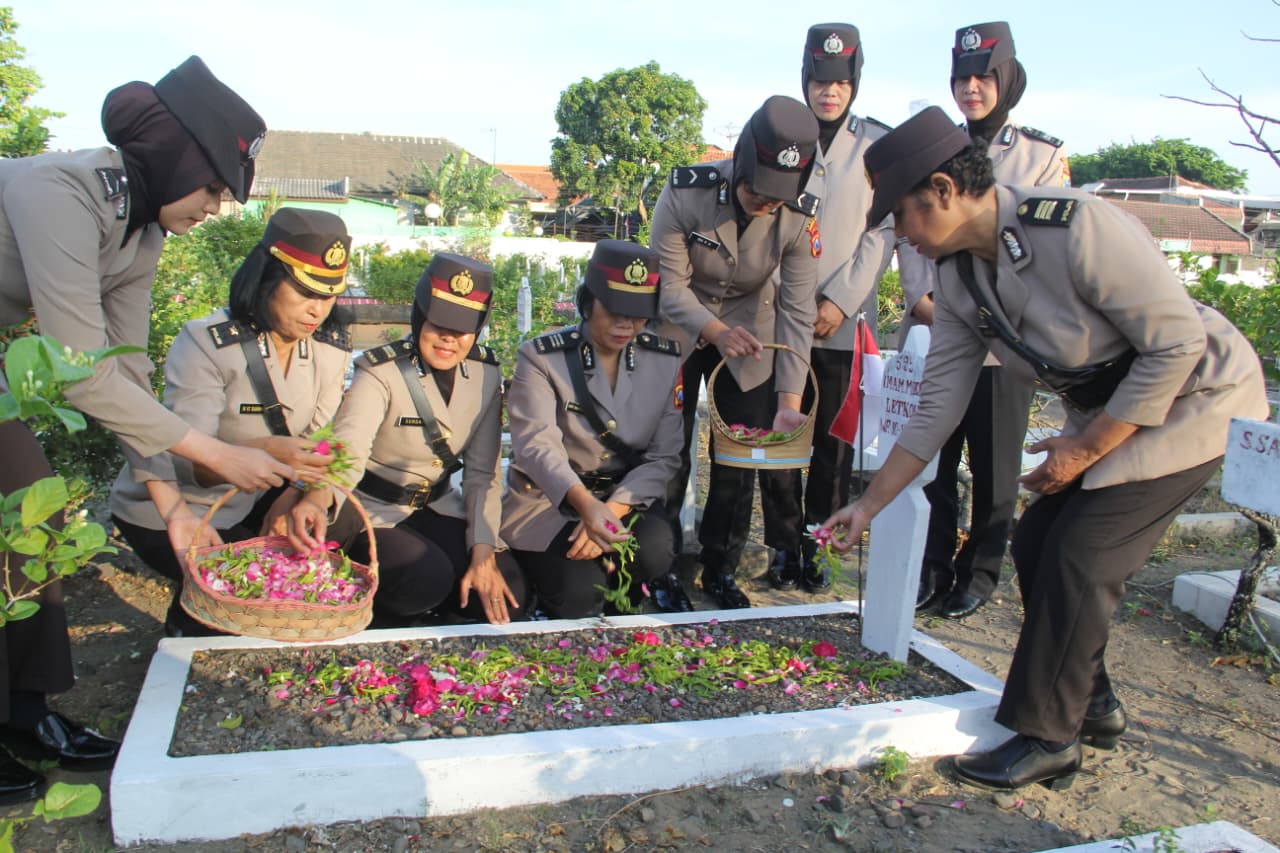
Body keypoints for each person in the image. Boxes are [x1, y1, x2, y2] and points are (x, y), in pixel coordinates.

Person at [824, 106, 1268, 790]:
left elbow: (1176, 343)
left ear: (943, 190)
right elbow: (938, 403)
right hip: (1119, 408)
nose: (903, 238)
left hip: (1197, 397)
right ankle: (1091, 702)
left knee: (1081, 552)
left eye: (905, 218)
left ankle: (1049, 734)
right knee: (1037, 545)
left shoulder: (1075, 226)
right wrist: (870, 504)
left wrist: (1086, 448)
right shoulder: (960, 275)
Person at [0, 56, 287, 801]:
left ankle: (23, 712)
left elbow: (122, 376)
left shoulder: (140, 233)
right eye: (216, 186)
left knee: (34, 518)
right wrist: (213, 450)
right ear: (176, 155)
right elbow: (75, 367)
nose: (218, 208)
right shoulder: (56, 189)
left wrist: (176, 513)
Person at [110, 208, 354, 637]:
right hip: (179, 505)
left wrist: (295, 497)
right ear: (267, 279)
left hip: (257, 496)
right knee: (243, 592)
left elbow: (321, 443)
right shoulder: (207, 342)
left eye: (329, 295)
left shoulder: (328, 351)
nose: (317, 310)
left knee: (331, 532)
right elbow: (186, 460)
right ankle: (188, 627)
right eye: (304, 292)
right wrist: (263, 449)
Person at [909, 21, 1072, 620]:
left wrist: (988, 312)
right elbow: (908, 232)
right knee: (933, 457)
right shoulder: (933, 143)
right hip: (934, 323)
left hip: (1005, 338)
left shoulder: (1041, 155)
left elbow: (1040, 248)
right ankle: (930, 564)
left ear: (1005, 79)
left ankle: (979, 572)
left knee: (996, 463)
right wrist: (920, 296)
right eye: (962, 77)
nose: (971, 88)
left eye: (983, 77)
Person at [765, 23, 934, 592]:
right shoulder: (783, 135)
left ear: (854, 82)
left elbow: (882, 231)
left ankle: (819, 544)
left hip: (840, 320)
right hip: (781, 317)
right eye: (818, 79)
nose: (827, 91)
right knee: (781, 434)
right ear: (805, 79)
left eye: (838, 81)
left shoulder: (876, 146)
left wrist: (840, 300)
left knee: (833, 446)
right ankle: (783, 547)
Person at [288, 254, 526, 626]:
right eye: (439, 323)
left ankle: (435, 614)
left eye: (463, 328)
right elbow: (350, 445)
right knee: (425, 578)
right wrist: (320, 497)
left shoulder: (484, 374)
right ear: (419, 315)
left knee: (507, 594)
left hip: (440, 503)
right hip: (374, 508)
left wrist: (483, 553)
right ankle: (380, 614)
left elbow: (483, 474)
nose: (449, 337)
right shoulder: (380, 370)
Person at [649, 96, 820, 609]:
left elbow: (797, 310)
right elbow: (668, 287)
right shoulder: (686, 192)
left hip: (751, 330)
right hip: (679, 326)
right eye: (757, 191)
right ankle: (658, 569)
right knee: (668, 449)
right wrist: (714, 331)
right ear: (742, 164)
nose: (766, 203)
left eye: (778, 197)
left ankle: (720, 568)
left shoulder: (800, 218)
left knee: (742, 452)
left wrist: (789, 396)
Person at [502, 240, 690, 619]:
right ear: (587, 302)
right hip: (550, 500)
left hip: (623, 497)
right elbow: (537, 447)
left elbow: (665, 455)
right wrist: (586, 505)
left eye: (638, 315)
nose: (626, 325)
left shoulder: (663, 360)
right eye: (615, 311)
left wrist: (611, 511)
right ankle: (549, 591)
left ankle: (620, 588)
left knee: (655, 548)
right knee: (576, 597)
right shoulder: (542, 358)